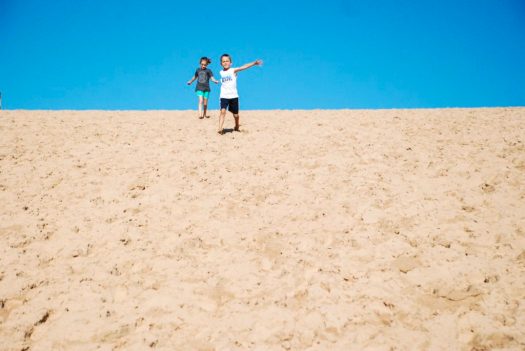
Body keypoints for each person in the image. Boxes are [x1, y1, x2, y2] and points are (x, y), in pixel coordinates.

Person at [218, 54, 262, 134]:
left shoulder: (233, 70)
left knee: (236, 115)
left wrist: (254, 63)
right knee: (222, 111)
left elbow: (244, 66)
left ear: (231, 63)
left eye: (227, 61)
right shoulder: (221, 72)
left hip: (233, 96)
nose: (225, 62)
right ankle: (220, 128)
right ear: (221, 63)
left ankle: (237, 125)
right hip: (224, 96)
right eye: (223, 61)